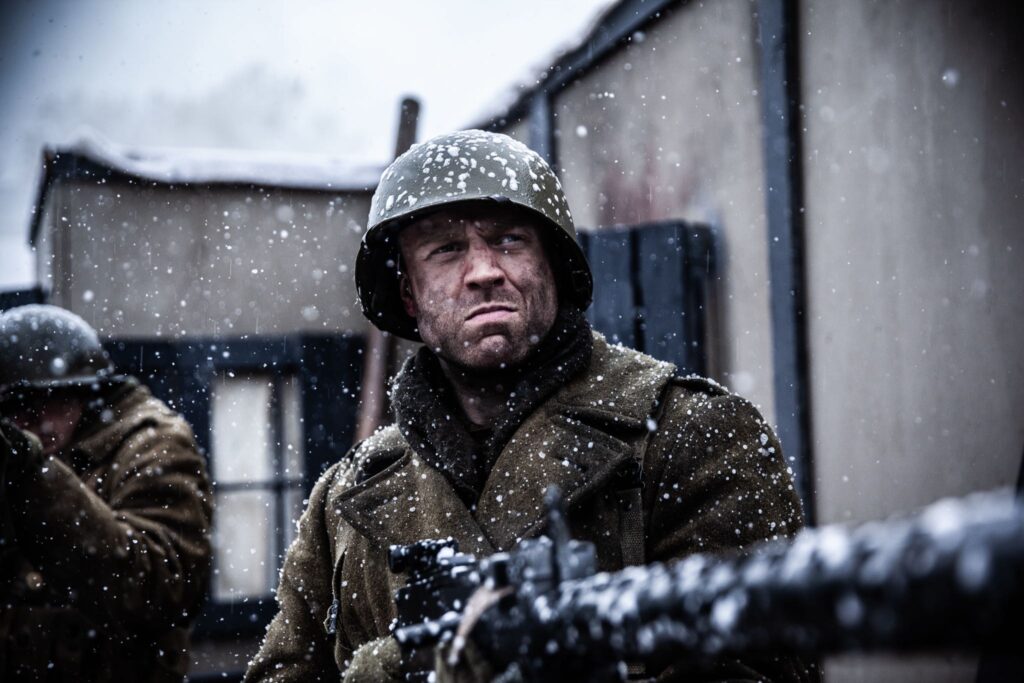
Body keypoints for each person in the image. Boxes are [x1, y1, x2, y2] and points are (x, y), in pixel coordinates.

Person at [245, 130, 817, 681]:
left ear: (553, 267)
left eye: (509, 241)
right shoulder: (343, 502)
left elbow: (761, 665)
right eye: (446, 250)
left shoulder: (693, 434)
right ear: (408, 296)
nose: (485, 271)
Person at [0, 304, 213, 682]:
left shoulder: (152, 443)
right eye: (17, 408)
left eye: (51, 399)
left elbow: (159, 588)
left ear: (86, 391)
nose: (36, 422)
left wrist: (32, 473)